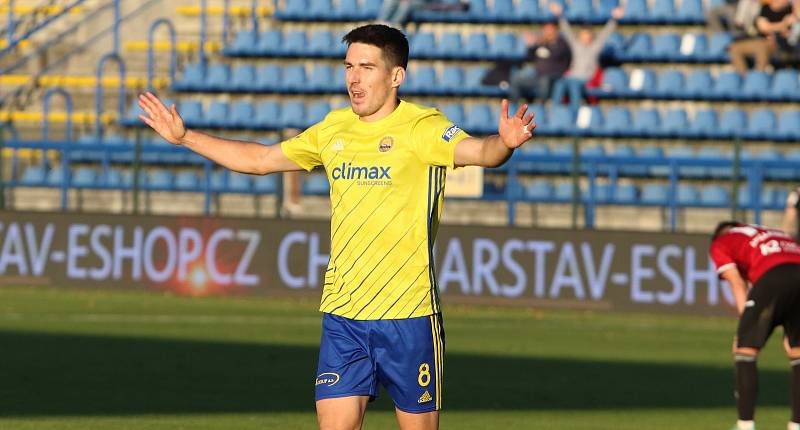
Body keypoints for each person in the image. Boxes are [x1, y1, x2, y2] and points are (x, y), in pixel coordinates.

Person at [137, 24, 536, 430]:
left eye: (366, 66)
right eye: (349, 66)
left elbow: (480, 152)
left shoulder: (423, 128)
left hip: (409, 315)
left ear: (396, 76)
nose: (354, 77)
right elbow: (259, 160)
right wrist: (185, 137)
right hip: (343, 315)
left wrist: (502, 143)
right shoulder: (333, 130)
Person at [709, 221, 800, 430]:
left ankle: (745, 425)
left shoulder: (721, 242)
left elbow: (737, 282)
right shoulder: (774, 234)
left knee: (745, 350)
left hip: (774, 276)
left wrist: (745, 327)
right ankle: (796, 425)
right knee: (797, 353)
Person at [548, 2, 623, 109]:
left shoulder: (595, 47)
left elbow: (605, 34)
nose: (585, 37)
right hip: (571, 77)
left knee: (574, 86)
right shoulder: (576, 45)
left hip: (585, 79)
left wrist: (614, 20)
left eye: (587, 35)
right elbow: (567, 31)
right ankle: (554, 111)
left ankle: (575, 111)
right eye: (583, 35)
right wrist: (560, 15)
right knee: (559, 84)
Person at [507, 21, 571, 104]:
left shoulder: (561, 44)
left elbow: (556, 55)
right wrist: (531, 46)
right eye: (546, 30)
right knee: (516, 79)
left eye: (550, 29)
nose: (548, 32)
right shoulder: (541, 43)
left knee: (544, 81)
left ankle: (541, 108)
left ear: (555, 30)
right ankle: (514, 107)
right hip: (537, 76)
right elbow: (530, 58)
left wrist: (544, 47)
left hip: (553, 77)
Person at [729, 0, 795, 74]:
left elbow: (789, 29)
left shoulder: (790, 10)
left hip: (776, 43)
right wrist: (782, 24)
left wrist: (771, 27)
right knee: (734, 48)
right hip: (758, 39)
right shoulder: (765, 9)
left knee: (762, 48)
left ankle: (759, 76)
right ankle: (743, 77)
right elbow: (763, 27)